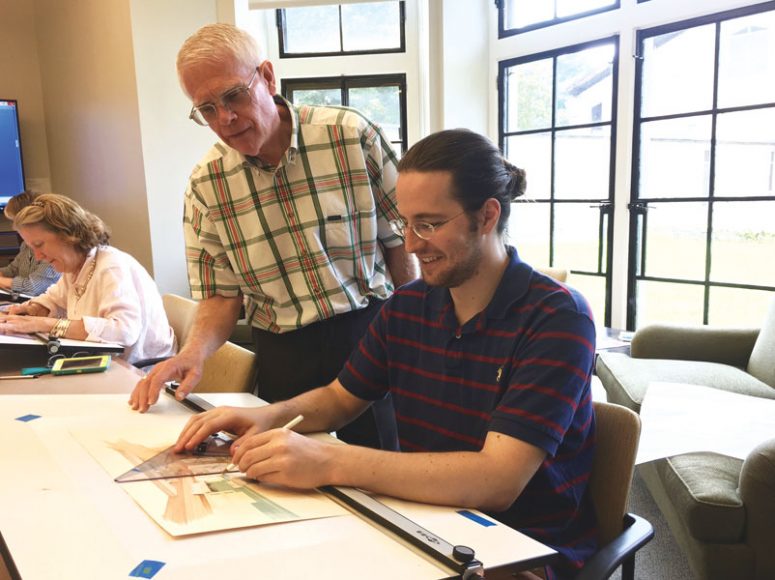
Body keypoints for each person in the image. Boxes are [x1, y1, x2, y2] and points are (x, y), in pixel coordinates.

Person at [173, 129, 598, 579]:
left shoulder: (558, 317)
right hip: (422, 523)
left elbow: (496, 481)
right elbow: (341, 398)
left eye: (429, 225)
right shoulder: (409, 306)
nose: (411, 245)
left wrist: (331, 461)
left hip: (519, 551)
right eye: (405, 224)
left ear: (487, 215)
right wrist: (267, 416)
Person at [130, 23, 417, 451]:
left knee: (379, 467)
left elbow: (405, 240)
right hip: (284, 354)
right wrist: (194, 352)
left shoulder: (349, 136)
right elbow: (221, 298)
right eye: (206, 109)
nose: (224, 118)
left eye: (233, 96)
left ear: (266, 77)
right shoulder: (207, 186)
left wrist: (420, 331)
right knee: (286, 474)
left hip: (368, 336)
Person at [0, 193, 176, 365]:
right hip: (105, 363)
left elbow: (124, 331)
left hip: (139, 373)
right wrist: (30, 310)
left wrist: (45, 324)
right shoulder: (76, 266)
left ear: (67, 235)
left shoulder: (112, 267)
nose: (37, 256)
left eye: (39, 245)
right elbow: (53, 299)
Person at [0, 192, 60, 296]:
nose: (14, 228)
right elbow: (13, 269)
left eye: (15, 222)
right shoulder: (25, 245)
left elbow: (34, 287)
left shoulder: (54, 248)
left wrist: (2, 281)